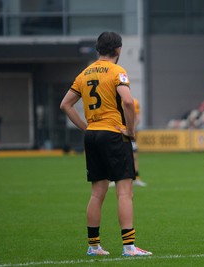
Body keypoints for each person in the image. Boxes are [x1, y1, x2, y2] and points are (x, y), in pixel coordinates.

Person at [60, 32, 152, 257]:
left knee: (96, 194)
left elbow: (65, 104)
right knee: (124, 193)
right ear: (118, 50)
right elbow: (128, 101)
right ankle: (129, 247)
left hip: (92, 135)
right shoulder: (117, 71)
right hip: (113, 135)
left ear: (97, 49)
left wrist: (85, 127)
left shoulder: (85, 73)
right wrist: (130, 130)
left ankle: (94, 246)